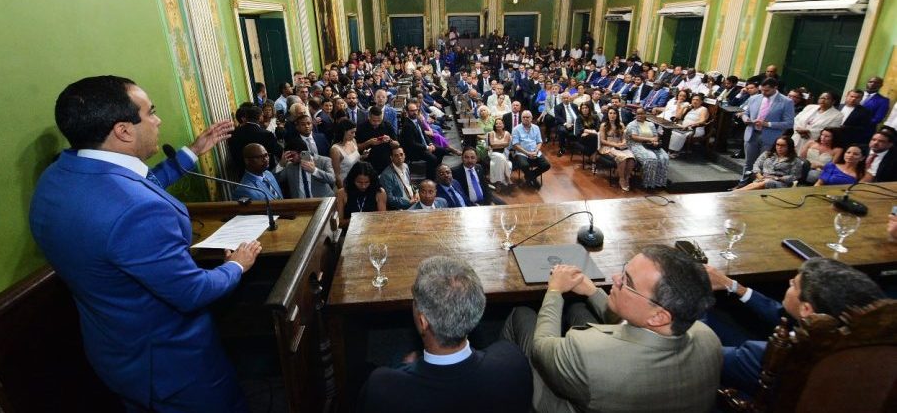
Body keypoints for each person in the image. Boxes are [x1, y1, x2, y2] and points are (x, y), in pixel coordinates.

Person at [30, 75, 261, 411]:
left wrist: (193, 151)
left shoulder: (56, 178)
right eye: (150, 112)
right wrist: (236, 265)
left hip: (114, 353)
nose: (158, 120)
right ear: (124, 130)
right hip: (172, 365)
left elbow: (130, 185)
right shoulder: (137, 211)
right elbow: (193, 292)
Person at [502, 245, 721, 413]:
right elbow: (640, 324)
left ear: (659, 316)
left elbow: (541, 347)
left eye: (627, 282)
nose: (615, 278)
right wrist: (592, 291)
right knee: (578, 308)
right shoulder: (708, 338)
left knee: (523, 315)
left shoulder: (587, 352)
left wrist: (554, 291)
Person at [359, 256, 532, 412]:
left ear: (423, 322)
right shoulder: (513, 363)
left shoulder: (382, 388)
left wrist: (406, 367)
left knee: (397, 358)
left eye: (415, 301)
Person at [704, 259, 886, 396]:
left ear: (806, 309)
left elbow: (701, 355)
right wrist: (734, 286)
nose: (789, 281)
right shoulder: (872, 347)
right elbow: (782, 314)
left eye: (794, 285)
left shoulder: (766, 356)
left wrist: (695, 300)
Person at [739, 79, 795, 183]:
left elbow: (789, 123)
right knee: (748, 163)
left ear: (775, 88)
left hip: (770, 137)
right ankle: (743, 184)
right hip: (752, 134)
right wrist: (745, 119)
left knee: (764, 165)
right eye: (762, 90)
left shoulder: (786, 101)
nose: (763, 93)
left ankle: (757, 186)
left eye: (767, 90)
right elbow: (745, 113)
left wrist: (767, 124)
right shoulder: (754, 98)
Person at [228, 103, 283, 176]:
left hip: (243, 172)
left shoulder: (235, 133)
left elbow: (234, 153)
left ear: (246, 117)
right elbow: (279, 152)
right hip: (265, 173)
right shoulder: (266, 134)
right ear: (260, 117)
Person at [401, 101, 450, 180]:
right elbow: (412, 144)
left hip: (423, 145)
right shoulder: (407, 126)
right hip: (415, 150)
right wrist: (427, 147)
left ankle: (436, 171)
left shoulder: (418, 120)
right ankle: (430, 178)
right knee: (433, 159)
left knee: (442, 150)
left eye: (416, 110)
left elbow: (423, 134)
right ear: (407, 112)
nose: (415, 112)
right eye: (412, 111)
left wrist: (430, 144)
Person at [734, 136, 803, 191]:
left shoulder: (795, 160)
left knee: (767, 182)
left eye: (783, 145)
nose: (779, 147)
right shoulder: (767, 154)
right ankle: (737, 192)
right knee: (756, 184)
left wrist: (777, 178)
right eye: (778, 145)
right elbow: (756, 165)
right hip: (762, 179)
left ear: (789, 147)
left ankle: (736, 192)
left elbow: (794, 176)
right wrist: (759, 176)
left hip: (781, 183)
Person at [626, 107, 669, 189]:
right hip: (636, 145)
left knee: (664, 157)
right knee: (651, 158)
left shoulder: (650, 124)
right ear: (635, 115)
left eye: (641, 113)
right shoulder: (632, 124)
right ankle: (648, 184)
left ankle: (659, 183)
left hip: (651, 145)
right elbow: (634, 137)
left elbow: (655, 136)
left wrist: (655, 141)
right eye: (638, 114)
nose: (639, 115)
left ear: (645, 114)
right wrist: (650, 139)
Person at [599, 107, 636, 191]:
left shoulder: (621, 125)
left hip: (620, 146)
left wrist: (623, 143)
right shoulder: (603, 125)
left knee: (631, 158)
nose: (612, 115)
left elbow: (624, 138)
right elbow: (602, 141)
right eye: (610, 113)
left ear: (617, 115)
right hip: (608, 146)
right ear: (607, 114)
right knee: (623, 157)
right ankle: (621, 179)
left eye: (614, 113)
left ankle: (627, 177)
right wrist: (615, 144)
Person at [512, 110, 551, 188]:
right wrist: (527, 153)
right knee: (524, 165)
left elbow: (539, 142)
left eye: (527, 117)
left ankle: (530, 176)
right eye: (523, 117)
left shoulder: (536, 127)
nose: (525, 119)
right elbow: (515, 145)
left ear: (531, 118)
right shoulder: (516, 129)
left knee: (546, 165)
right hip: (522, 153)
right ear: (521, 118)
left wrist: (536, 151)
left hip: (535, 152)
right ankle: (533, 179)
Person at [356, 105, 399, 173]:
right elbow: (356, 147)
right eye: (374, 121)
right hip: (368, 164)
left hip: (386, 163)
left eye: (379, 120)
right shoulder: (361, 127)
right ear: (369, 117)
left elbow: (397, 145)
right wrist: (369, 142)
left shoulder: (387, 125)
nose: (376, 123)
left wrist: (390, 140)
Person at [330, 119, 361, 189]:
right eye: (352, 132)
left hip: (357, 182)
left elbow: (353, 160)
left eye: (355, 132)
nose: (354, 135)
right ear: (344, 132)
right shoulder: (335, 150)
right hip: (344, 185)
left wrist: (362, 156)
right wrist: (343, 191)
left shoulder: (353, 141)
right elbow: (337, 175)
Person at [487, 117, 513, 190]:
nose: (498, 125)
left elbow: (506, 144)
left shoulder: (507, 133)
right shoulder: (492, 133)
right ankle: (507, 177)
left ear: (503, 125)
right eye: (496, 124)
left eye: (500, 123)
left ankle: (498, 182)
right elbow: (492, 144)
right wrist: (502, 144)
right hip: (492, 152)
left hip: (503, 153)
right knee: (501, 157)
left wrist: (496, 144)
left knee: (501, 158)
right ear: (495, 125)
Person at [573, 101, 601, 170]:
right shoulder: (579, 118)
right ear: (581, 110)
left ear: (589, 109)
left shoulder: (595, 116)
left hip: (593, 136)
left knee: (595, 138)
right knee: (596, 137)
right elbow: (581, 130)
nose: (584, 109)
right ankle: (594, 160)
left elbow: (598, 128)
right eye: (583, 108)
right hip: (582, 138)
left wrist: (588, 132)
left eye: (586, 108)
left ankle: (592, 158)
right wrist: (592, 131)